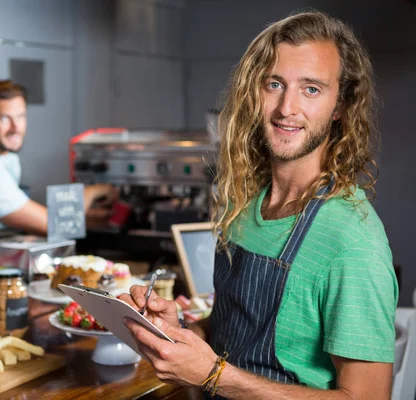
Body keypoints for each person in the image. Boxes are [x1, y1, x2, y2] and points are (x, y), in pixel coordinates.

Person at [122, 11, 398, 399]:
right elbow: (235, 329)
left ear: (340, 107)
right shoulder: (245, 201)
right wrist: (182, 332)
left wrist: (215, 376)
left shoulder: (352, 241)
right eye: (274, 84)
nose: (287, 108)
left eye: (312, 89)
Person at [0, 80, 117, 236]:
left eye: (21, 116)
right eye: (4, 118)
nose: (16, 128)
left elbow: (23, 212)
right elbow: (54, 224)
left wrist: (98, 217)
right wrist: (95, 190)